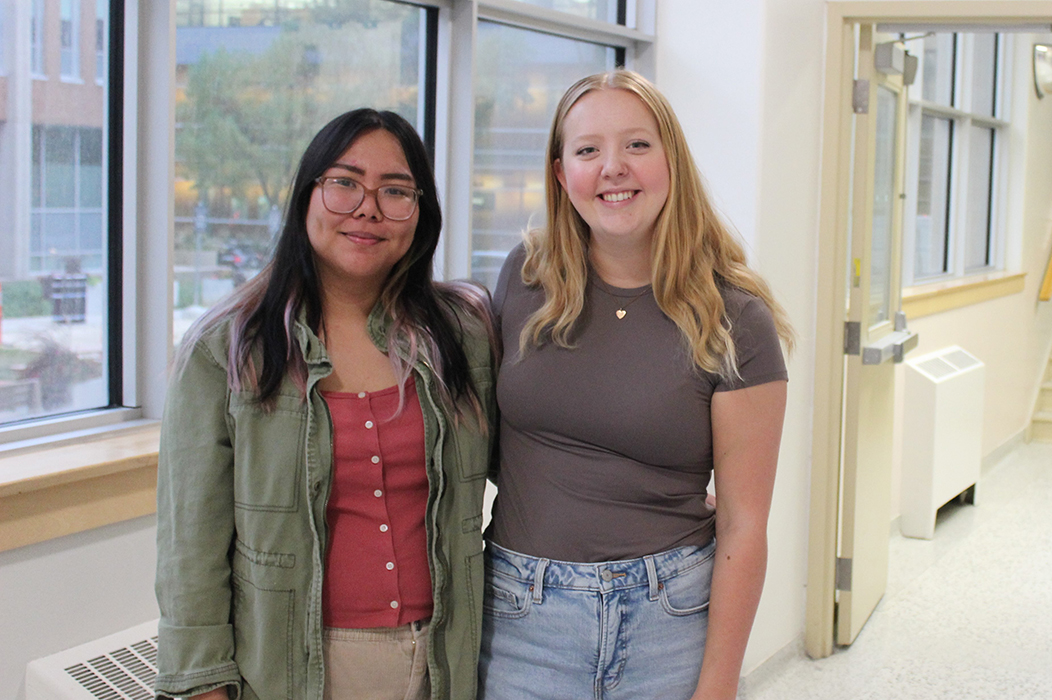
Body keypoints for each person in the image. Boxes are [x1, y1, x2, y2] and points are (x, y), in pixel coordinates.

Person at [154, 109, 495, 700]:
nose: (368, 208)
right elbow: (191, 546)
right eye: (344, 182)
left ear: (421, 212)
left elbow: (537, 455)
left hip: (447, 653)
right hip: (294, 662)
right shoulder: (228, 349)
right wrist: (201, 683)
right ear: (306, 195)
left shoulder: (460, 332)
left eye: (396, 191)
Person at [479, 70, 794, 700]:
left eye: (637, 145)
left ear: (671, 159)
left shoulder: (735, 316)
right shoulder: (526, 277)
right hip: (520, 615)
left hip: (667, 618)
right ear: (562, 172)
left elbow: (743, 525)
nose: (613, 168)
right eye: (588, 150)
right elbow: (487, 442)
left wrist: (719, 685)